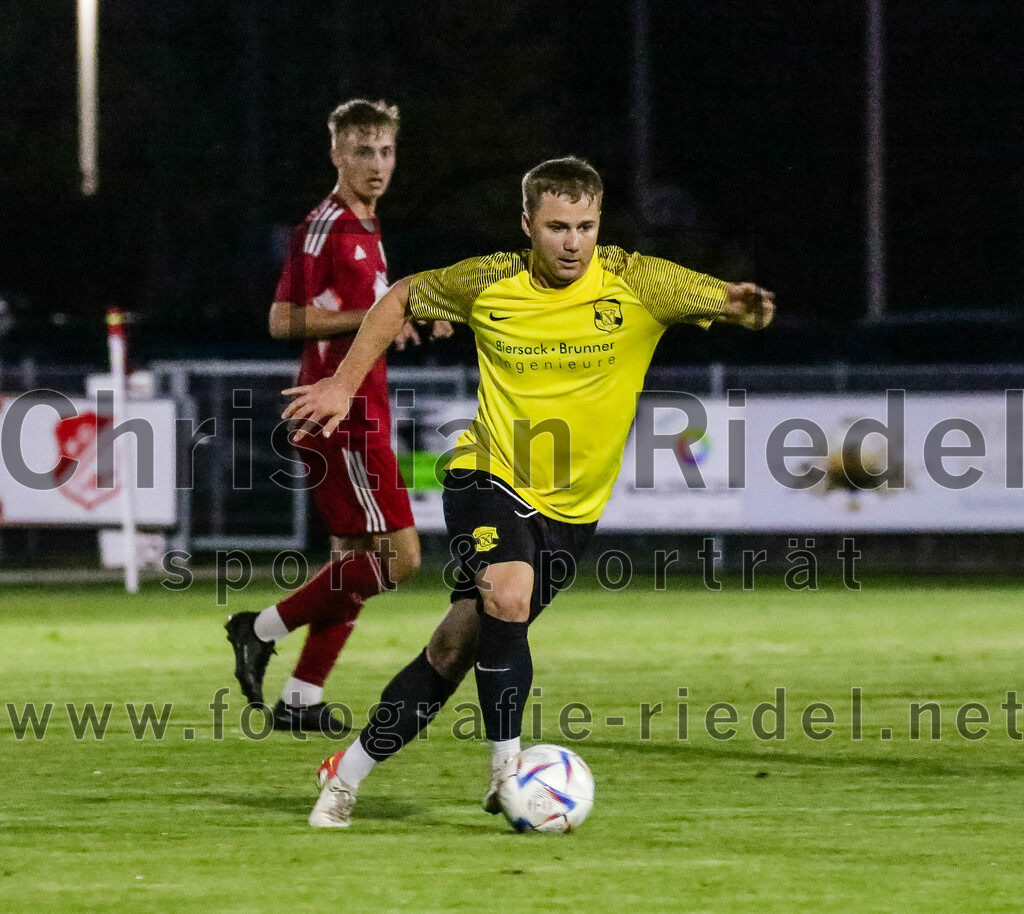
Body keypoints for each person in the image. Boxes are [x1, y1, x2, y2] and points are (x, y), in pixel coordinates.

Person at [282, 156, 775, 824]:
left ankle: (348, 771)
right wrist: (342, 383)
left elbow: (725, 300)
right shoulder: (490, 280)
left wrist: (746, 308)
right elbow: (397, 296)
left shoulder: (639, 281)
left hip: (572, 515)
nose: (572, 242)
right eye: (556, 227)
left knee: (456, 648)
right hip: (487, 475)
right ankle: (507, 776)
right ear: (528, 224)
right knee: (507, 594)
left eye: (585, 226)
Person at [225, 99, 451, 733]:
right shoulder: (324, 225)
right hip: (338, 414)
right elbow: (282, 318)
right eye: (361, 151)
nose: (376, 165)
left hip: (359, 409)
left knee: (352, 560)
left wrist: (415, 310)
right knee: (401, 559)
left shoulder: (368, 228)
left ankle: (300, 700)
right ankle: (259, 628)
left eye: (385, 151)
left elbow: (375, 307)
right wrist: (379, 318)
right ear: (335, 154)